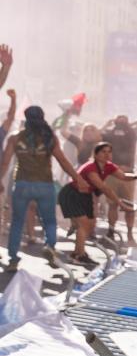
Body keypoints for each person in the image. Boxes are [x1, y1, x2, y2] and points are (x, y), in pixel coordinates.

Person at [1, 106, 88, 269]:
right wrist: (78, 178)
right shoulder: (49, 137)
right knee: (49, 220)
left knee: (17, 222)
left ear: (26, 118)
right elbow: (62, 160)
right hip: (45, 185)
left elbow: (5, 162)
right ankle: (50, 247)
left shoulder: (15, 138)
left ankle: (13, 258)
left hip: (22, 185)